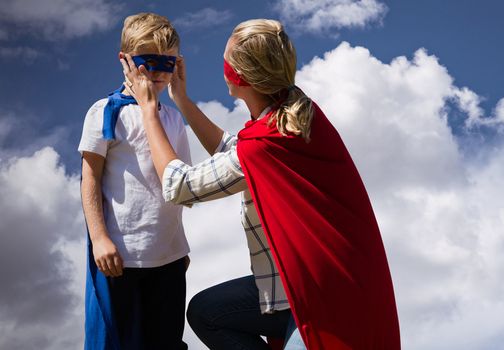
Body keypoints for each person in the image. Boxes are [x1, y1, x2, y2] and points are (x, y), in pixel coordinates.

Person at [120, 18, 401, 349]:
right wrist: (182, 101)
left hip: (316, 300)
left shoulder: (266, 141)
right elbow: (238, 154)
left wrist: (149, 110)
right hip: (319, 283)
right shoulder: (295, 112)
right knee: (207, 311)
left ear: (237, 76)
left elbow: (180, 185)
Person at [81, 12, 191, 350]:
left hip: (169, 258)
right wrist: (99, 238)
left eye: (167, 63)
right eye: (147, 62)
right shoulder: (105, 111)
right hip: (119, 259)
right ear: (125, 60)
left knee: (166, 342)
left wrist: (180, 244)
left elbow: (179, 184)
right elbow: (90, 177)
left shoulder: (173, 118)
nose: (157, 72)